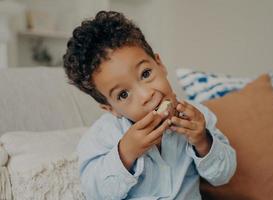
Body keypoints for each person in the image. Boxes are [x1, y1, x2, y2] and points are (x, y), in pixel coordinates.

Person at [63, 10, 236, 200]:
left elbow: (223, 176)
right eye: (123, 94)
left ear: (160, 64)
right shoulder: (102, 136)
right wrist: (126, 153)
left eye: (145, 74)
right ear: (110, 108)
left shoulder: (197, 118)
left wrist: (202, 141)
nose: (146, 95)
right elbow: (96, 194)